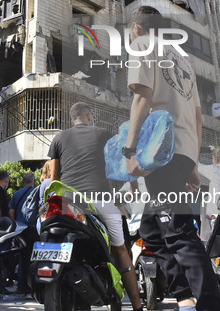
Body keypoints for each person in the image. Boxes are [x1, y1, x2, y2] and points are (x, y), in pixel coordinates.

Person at [123, 6, 220, 311]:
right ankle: (185, 297)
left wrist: (129, 150)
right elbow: (197, 115)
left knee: (177, 229)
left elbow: (143, 97)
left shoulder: (142, 45)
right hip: (180, 151)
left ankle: (208, 304)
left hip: (161, 152)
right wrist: (191, 162)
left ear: (137, 27)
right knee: (152, 230)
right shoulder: (183, 59)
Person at [48, 102, 143, 311]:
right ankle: (137, 306)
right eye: (91, 116)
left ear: (72, 119)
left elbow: (54, 179)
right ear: (89, 115)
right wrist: (134, 187)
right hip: (98, 200)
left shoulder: (58, 138)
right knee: (120, 249)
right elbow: (121, 164)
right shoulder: (102, 134)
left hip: (67, 202)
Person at [8, 172, 39, 294]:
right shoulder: (37, 192)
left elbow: (11, 212)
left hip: (21, 229)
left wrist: (15, 225)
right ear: (34, 181)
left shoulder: (17, 194)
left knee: (23, 258)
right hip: (35, 229)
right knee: (35, 257)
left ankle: (22, 286)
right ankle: (34, 285)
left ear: (22, 181)